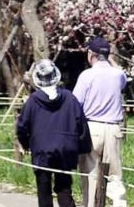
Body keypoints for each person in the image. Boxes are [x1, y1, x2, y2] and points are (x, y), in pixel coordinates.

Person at [17, 58, 92, 207]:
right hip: (66, 148)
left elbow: (22, 127)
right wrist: (83, 148)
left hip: (41, 150)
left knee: (44, 191)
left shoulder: (32, 101)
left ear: (37, 79)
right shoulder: (70, 98)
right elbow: (81, 124)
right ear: (56, 77)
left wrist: (25, 145)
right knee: (64, 189)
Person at [73, 36, 128, 207]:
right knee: (115, 176)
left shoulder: (86, 75)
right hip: (113, 129)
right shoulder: (118, 75)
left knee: (91, 177)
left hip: (92, 128)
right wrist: (110, 58)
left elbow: (76, 104)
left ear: (91, 54)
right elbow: (121, 74)